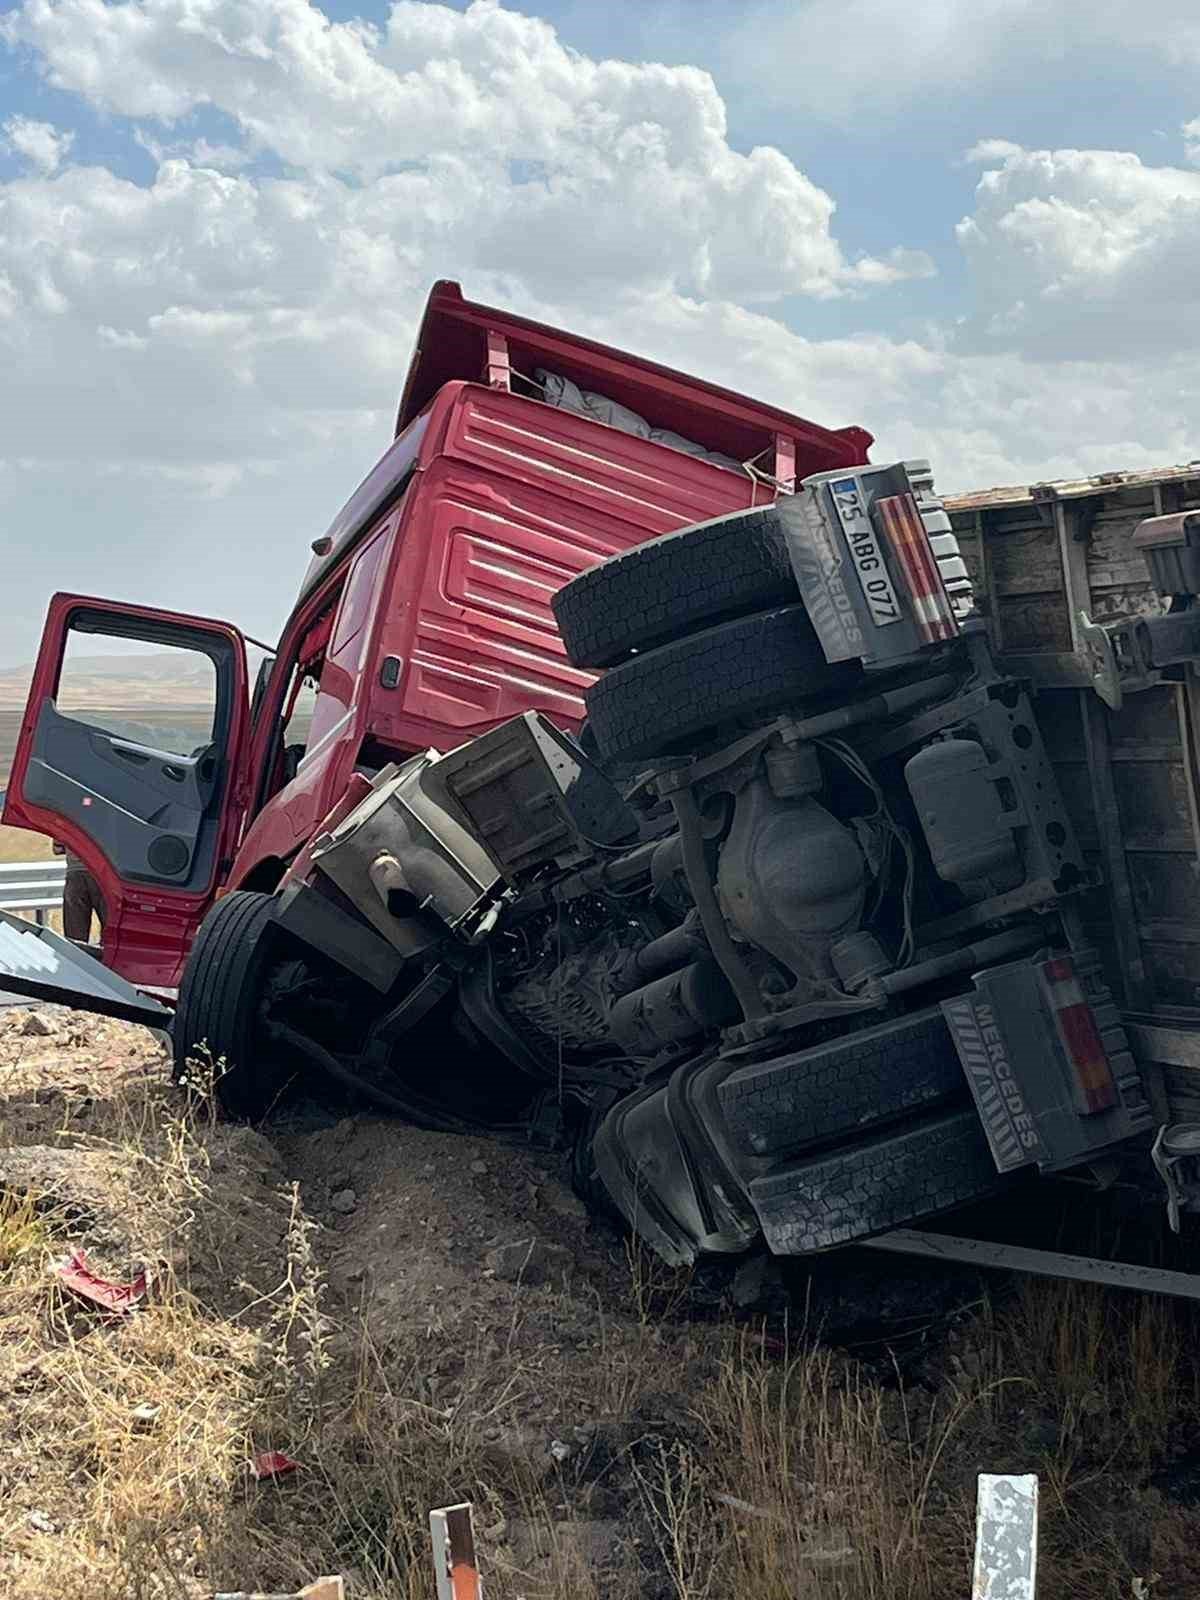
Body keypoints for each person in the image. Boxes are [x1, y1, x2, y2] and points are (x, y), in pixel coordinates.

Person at [52, 841, 106, 944]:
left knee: (75, 940)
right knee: (110, 935)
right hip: (103, 875)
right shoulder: (109, 824)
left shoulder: (70, 823)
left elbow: (57, 849)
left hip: (75, 875)